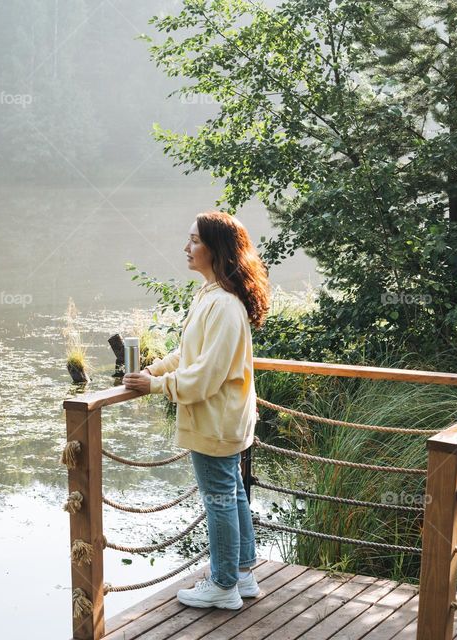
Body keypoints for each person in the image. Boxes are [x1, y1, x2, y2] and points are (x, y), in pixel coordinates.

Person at [122, 210, 270, 610]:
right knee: (232, 493)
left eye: (194, 241)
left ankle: (223, 585)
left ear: (216, 249)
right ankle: (241, 573)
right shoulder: (211, 295)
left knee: (219, 498)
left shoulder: (223, 305)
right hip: (225, 418)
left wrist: (155, 385)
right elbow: (189, 352)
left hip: (216, 419)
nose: (185, 248)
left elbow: (205, 375)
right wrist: (155, 369)